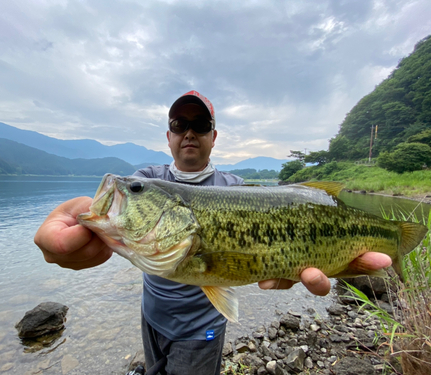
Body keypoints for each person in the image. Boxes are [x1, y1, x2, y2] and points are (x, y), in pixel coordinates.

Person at [34, 91, 392, 375]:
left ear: (213, 136)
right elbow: (115, 208)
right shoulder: (147, 178)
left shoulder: (235, 189)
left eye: (200, 124)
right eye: (179, 124)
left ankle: (394, 240)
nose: (189, 132)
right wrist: (76, 217)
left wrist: (325, 261)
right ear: (169, 135)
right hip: (153, 315)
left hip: (201, 330)